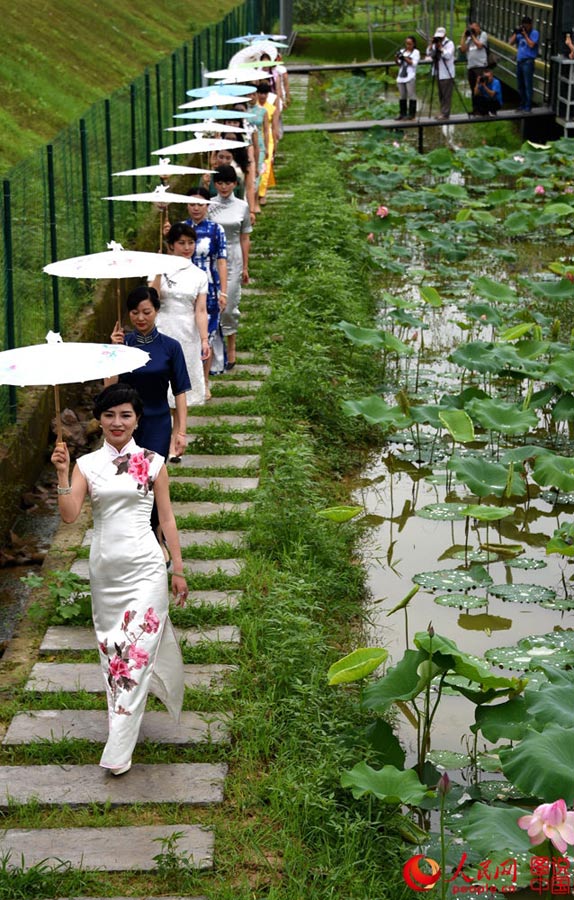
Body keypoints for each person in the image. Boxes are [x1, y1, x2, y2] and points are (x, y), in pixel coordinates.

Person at [51, 382, 189, 776]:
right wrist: (62, 473)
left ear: (137, 419)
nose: (117, 422)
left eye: (125, 415)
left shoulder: (154, 461)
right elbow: (69, 514)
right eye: (109, 415)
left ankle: (119, 746)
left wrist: (176, 568)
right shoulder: (86, 465)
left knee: (138, 648)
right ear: (99, 420)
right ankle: (123, 717)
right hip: (106, 570)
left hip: (146, 566)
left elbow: (166, 519)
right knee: (114, 654)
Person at [109, 286, 190, 461]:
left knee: (152, 476)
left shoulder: (171, 347)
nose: (140, 318)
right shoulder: (122, 345)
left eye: (146, 312)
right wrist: (114, 352)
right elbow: (108, 389)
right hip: (123, 424)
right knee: (124, 478)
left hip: (157, 422)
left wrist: (181, 432)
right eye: (134, 312)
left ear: (157, 310)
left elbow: (180, 392)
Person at [148, 223, 209, 439]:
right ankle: (164, 433)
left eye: (191, 243)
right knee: (161, 384)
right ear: (171, 245)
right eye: (181, 243)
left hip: (187, 332)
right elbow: (152, 299)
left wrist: (204, 339)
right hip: (163, 327)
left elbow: (200, 310)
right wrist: (157, 270)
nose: (186, 247)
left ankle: (178, 435)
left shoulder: (200, 275)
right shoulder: (159, 269)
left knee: (181, 384)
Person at [208, 165, 252, 371]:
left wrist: (246, 266)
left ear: (235, 184)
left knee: (229, 303)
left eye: (228, 183)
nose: (224, 187)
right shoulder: (208, 206)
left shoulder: (242, 206)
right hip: (212, 258)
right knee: (211, 304)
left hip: (233, 259)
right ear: (214, 184)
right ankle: (212, 348)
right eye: (220, 183)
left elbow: (245, 237)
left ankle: (231, 346)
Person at [509, 16, 539, 112]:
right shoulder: (520, 34)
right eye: (523, 24)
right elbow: (510, 43)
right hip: (520, 62)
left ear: (530, 24)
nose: (525, 26)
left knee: (527, 84)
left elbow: (531, 44)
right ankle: (522, 104)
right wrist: (515, 32)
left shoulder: (534, 33)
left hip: (528, 62)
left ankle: (528, 106)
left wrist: (525, 35)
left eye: (526, 24)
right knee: (520, 85)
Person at [427, 27, 456, 120]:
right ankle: (442, 112)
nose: (439, 39)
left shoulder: (450, 43)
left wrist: (441, 48)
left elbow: (447, 56)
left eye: (441, 37)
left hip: (447, 73)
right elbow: (429, 53)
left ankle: (445, 114)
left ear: (445, 35)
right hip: (438, 72)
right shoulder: (436, 44)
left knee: (446, 95)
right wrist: (432, 44)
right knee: (441, 94)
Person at [460, 21, 488, 114]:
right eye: (471, 28)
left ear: (479, 27)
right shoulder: (469, 39)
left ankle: (482, 110)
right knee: (473, 89)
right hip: (471, 67)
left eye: (474, 27)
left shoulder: (483, 35)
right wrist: (464, 36)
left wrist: (472, 36)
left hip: (480, 66)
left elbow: (479, 45)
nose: (473, 29)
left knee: (480, 88)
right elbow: (463, 49)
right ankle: (475, 109)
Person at [395, 35, 420, 120]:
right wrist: (396, 57)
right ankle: (402, 114)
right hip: (401, 76)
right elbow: (398, 63)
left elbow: (413, 63)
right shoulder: (403, 51)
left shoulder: (416, 52)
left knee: (411, 94)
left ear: (413, 44)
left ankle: (412, 114)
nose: (408, 46)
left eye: (410, 44)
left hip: (410, 76)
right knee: (402, 96)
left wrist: (404, 58)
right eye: (406, 44)